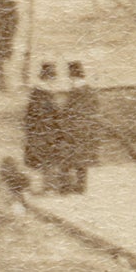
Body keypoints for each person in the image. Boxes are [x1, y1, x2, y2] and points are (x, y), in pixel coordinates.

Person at [58, 59, 101, 195]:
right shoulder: (89, 90)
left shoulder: (76, 91)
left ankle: (66, 188)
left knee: (67, 159)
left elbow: (70, 112)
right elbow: (95, 110)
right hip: (86, 131)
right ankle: (80, 187)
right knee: (82, 160)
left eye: (69, 75)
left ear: (72, 75)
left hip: (74, 131)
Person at [23, 61, 64, 195]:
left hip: (43, 132)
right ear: (47, 78)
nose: (54, 81)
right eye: (53, 77)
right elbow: (41, 115)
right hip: (44, 133)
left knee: (43, 161)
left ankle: (46, 187)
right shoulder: (41, 93)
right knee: (46, 160)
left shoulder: (40, 93)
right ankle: (48, 188)